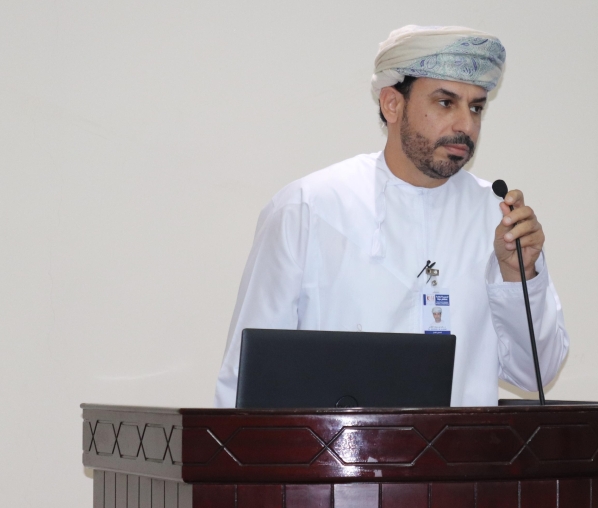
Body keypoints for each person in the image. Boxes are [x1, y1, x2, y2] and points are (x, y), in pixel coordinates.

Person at [214, 25, 569, 407]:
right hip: (339, 462)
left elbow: (535, 372)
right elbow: (246, 378)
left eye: (476, 107)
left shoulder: (498, 219)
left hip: (463, 463)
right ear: (392, 104)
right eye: (446, 103)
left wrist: (519, 276)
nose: (465, 125)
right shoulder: (308, 208)